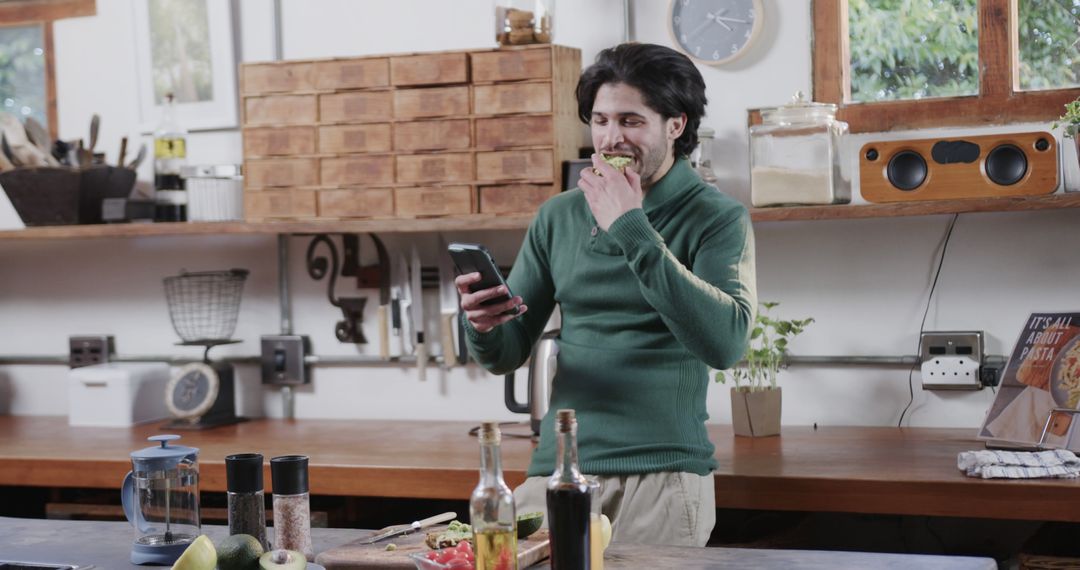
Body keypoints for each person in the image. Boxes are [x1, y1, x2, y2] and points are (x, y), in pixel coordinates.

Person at [456, 42, 757, 547]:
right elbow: (506, 354)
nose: (611, 139)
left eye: (631, 121)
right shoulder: (560, 216)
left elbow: (725, 344)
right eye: (600, 121)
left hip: (664, 473)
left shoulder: (717, 218)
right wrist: (482, 325)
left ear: (675, 126)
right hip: (558, 467)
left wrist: (631, 227)